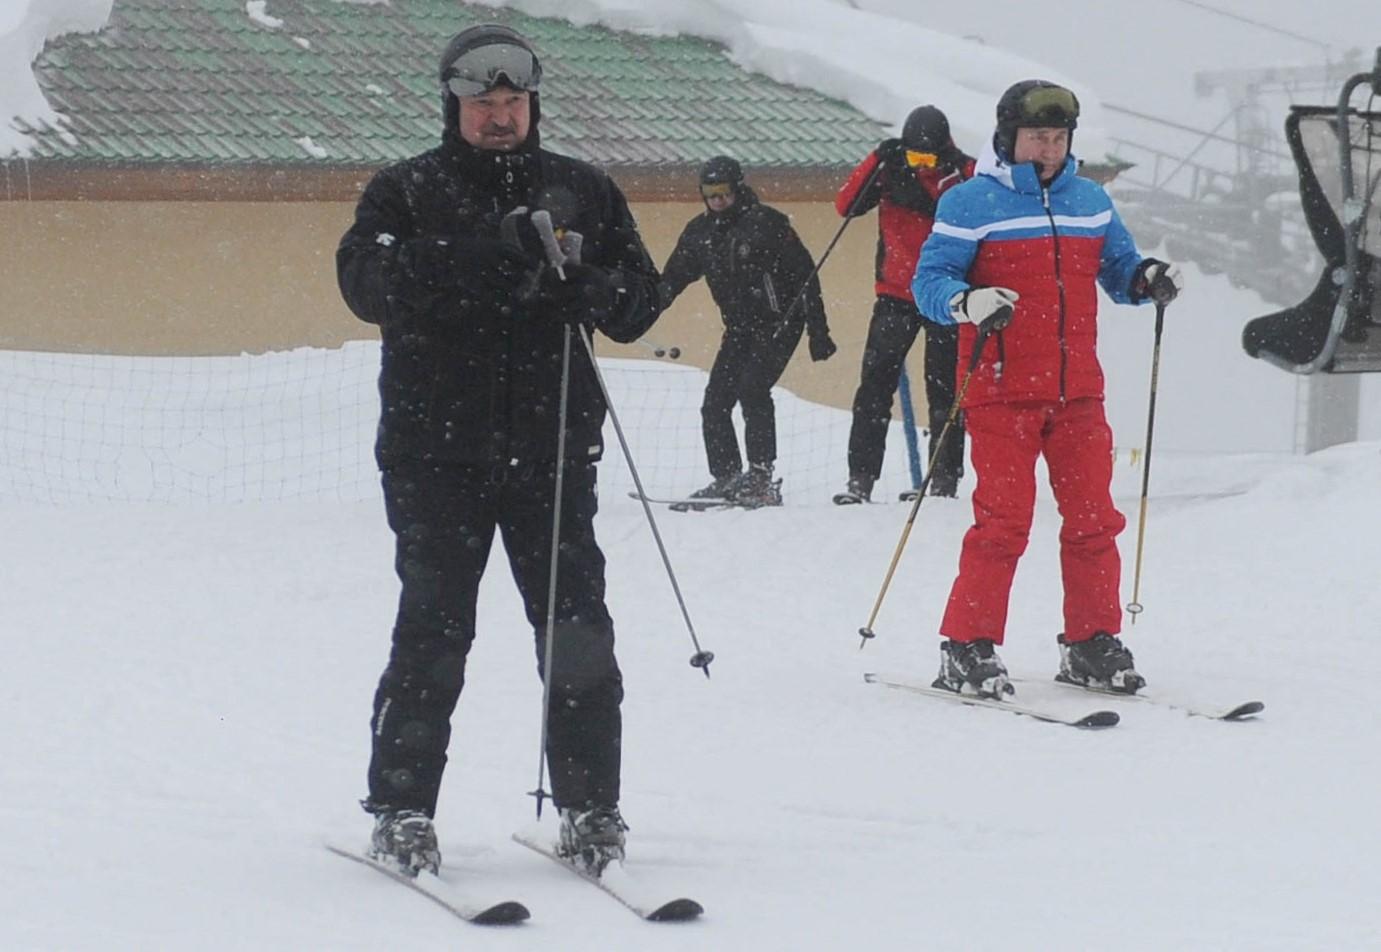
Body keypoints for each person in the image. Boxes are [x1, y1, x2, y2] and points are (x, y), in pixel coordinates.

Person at [336, 24, 663, 878]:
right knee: (434, 635)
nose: (498, 115)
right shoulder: (406, 190)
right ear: (453, 103)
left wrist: (590, 286)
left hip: (552, 453)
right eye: (482, 102)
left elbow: (641, 299)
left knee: (576, 634)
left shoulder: (582, 189)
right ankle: (402, 809)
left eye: (511, 101)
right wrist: (487, 254)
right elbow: (367, 286)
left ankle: (591, 809)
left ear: (532, 103)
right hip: (434, 455)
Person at [912, 79, 1184, 698]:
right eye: (1037, 137)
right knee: (1004, 522)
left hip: (1077, 391)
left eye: (1059, 138)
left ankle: (1090, 642)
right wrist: (967, 300)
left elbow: (1117, 269)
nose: (1049, 149)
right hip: (1001, 387)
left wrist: (1146, 278)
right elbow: (929, 282)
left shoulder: (1089, 199)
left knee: (1094, 520)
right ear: (1009, 137)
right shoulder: (968, 203)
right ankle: (967, 645)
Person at [659, 156, 837, 508]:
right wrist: (640, 311)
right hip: (740, 327)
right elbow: (673, 279)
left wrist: (819, 331)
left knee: (752, 389)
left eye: (724, 192)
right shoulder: (700, 233)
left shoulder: (767, 224)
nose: (718, 201)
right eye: (710, 194)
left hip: (779, 322)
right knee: (715, 401)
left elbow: (805, 276)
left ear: (738, 189)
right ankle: (726, 476)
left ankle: (760, 477)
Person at [833, 106, 976, 505]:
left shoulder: (964, 173)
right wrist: (879, 157)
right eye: (914, 158)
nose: (921, 166)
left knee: (945, 392)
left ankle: (943, 480)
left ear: (944, 150)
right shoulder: (890, 167)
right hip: (895, 294)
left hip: (948, 297)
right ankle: (860, 479)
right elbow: (846, 206)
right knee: (874, 388)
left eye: (928, 159)